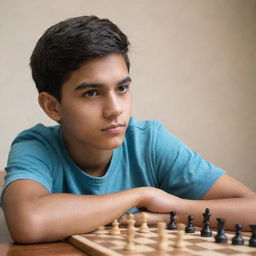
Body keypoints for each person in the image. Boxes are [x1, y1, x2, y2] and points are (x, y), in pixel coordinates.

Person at [1, 15, 255, 244]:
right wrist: (141, 196)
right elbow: (29, 222)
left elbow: (251, 207)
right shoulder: (36, 146)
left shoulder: (149, 142)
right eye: (91, 93)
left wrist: (174, 210)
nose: (115, 109)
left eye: (122, 88)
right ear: (53, 106)